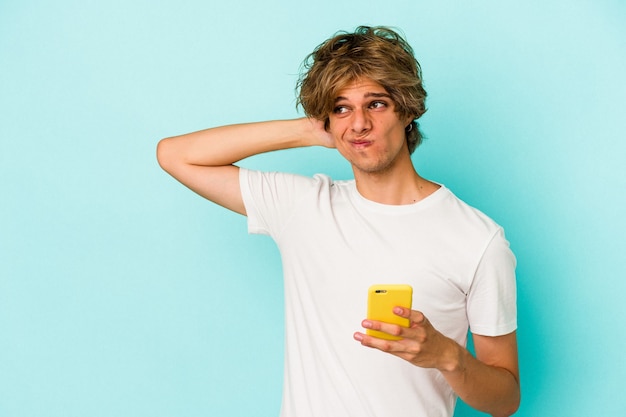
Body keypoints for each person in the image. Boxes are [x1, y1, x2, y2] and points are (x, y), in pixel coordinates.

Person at [157, 26, 520, 417]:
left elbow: (505, 399)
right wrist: (310, 130)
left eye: (376, 104)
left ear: (408, 109)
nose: (358, 124)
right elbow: (175, 155)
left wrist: (449, 357)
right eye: (341, 107)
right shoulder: (303, 207)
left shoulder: (478, 239)